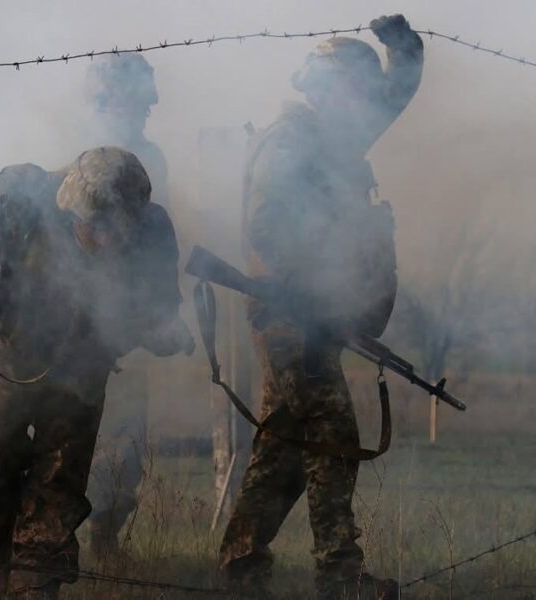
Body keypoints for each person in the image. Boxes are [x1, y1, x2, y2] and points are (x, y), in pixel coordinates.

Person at [220, 14, 423, 600]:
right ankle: (340, 575)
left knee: (284, 449)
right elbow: (266, 227)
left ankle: (239, 567)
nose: (364, 104)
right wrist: (312, 287)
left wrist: (402, 47)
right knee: (334, 433)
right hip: (290, 316)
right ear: (331, 91)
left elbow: (396, 95)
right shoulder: (292, 141)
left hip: (311, 315)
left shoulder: (337, 137)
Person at [0, 147, 194, 599]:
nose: (104, 241)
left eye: (115, 232)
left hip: (82, 371)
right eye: (95, 228)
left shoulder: (153, 230)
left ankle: (33, 587)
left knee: (57, 489)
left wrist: (163, 331)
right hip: (10, 358)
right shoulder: (22, 190)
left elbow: (159, 304)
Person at [83, 54, 170, 558]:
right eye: (138, 98)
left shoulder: (150, 158)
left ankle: (105, 535)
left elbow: (154, 236)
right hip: (70, 320)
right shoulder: (73, 152)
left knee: (125, 438)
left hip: (126, 319)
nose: (148, 108)